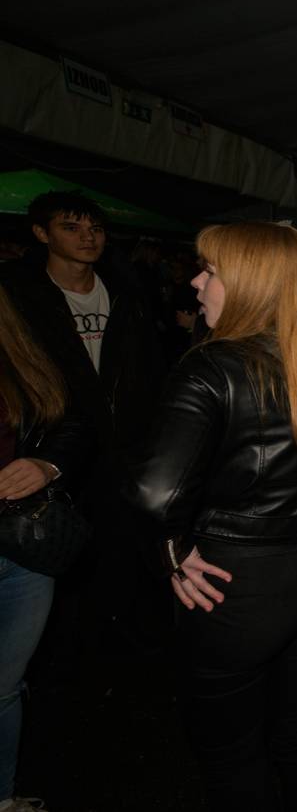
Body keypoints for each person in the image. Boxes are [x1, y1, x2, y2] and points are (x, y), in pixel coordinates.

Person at [125, 222, 297, 810]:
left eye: (210, 271)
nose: (196, 282)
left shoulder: (211, 366)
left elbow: (155, 494)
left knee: (232, 754)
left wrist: (173, 551)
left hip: (230, 586)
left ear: (252, 285)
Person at [0, 191, 165, 645]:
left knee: (125, 542)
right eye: (71, 228)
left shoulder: (126, 289)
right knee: (61, 543)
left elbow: (150, 366)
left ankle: (118, 631)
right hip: (54, 443)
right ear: (42, 234)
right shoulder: (21, 295)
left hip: (125, 442)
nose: (87, 237)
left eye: (95, 228)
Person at [0, 286, 92, 812]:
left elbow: (72, 419)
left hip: (24, 549)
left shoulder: (18, 349)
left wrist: (46, 464)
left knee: (4, 687)